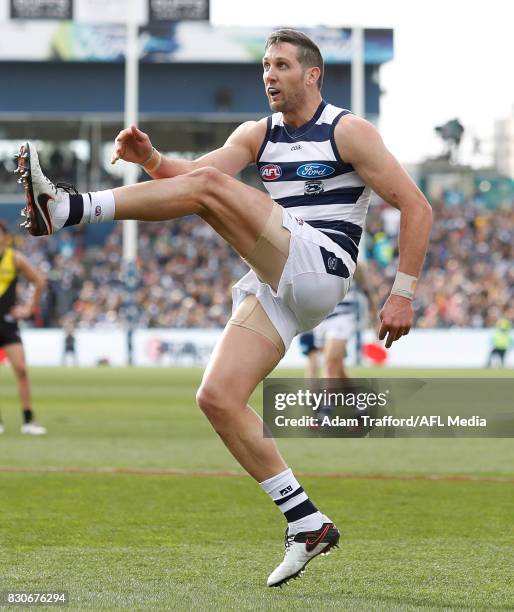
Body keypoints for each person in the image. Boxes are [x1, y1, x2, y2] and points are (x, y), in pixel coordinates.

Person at [15, 29, 432, 585]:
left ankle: (67, 208)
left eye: (281, 65)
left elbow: (416, 206)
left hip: (321, 265)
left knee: (212, 188)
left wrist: (402, 290)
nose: (269, 75)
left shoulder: (347, 129)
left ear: (313, 75)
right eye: (265, 65)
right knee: (217, 397)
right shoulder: (258, 132)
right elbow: (193, 183)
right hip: (275, 276)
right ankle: (305, 522)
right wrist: (152, 158)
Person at [0, 220, 47, 435]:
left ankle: (28, 420)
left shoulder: (14, 258)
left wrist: (29, 308)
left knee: (21, 369)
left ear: (5, 236)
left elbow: (39, 281)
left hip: (8, 323)